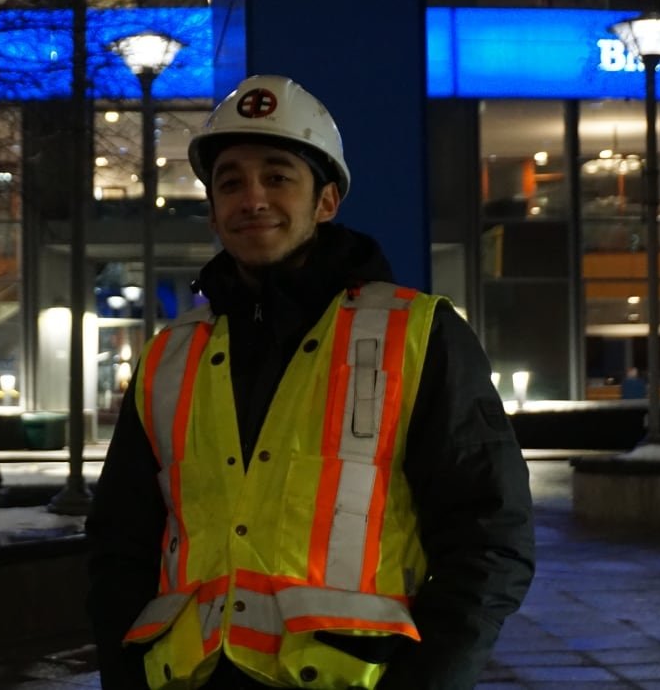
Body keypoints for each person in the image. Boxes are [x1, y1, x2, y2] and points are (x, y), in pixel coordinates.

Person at [86, 75, 535, 689]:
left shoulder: (419, 335)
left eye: (278, 176)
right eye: (231, 182)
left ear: (326, 201)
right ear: (214, 211)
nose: (253, 198)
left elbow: (490, 537)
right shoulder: (169, 356)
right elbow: (119, 545)